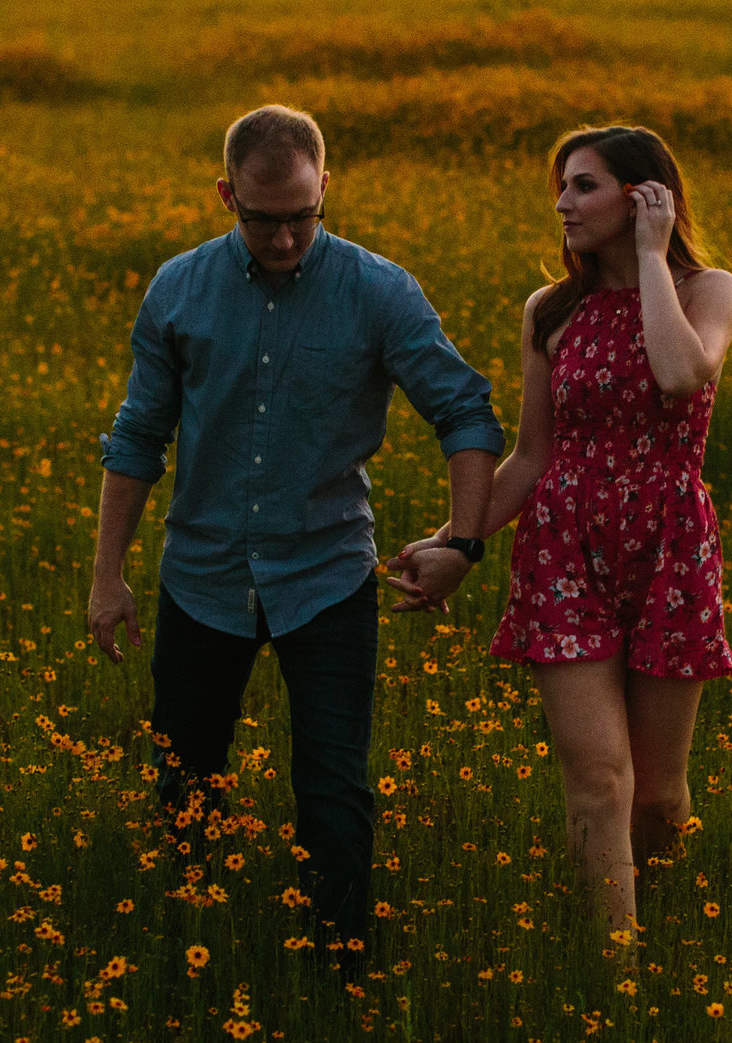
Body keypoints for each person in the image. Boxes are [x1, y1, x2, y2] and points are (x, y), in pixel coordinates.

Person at [90, 104, 503, 985]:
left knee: (334, 790)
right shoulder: (180, 288)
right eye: (260, 217)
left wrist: (464, 542)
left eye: (301, 216)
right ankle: (188, 951)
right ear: (225, 194)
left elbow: (465, 409)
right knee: (185, 778)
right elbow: (137, 437)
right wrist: (107, 577)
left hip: (327, 573)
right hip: (202, 574)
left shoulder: (378, 290)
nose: (282, 238)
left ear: (327, 191)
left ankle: (341, 976)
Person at [401, 125, 732, 940]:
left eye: (583, 185)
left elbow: (679, 373)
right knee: (598, 777)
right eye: (562, 186)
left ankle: (658, 919)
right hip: (563, 550)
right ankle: (614, 979)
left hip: (670, 549)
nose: (562, 204)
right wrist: (458, 539)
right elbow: (530, 456)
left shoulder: (707, 290)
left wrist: (653, 259)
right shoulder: (550, 310)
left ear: (643, 196)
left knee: (658, 796)